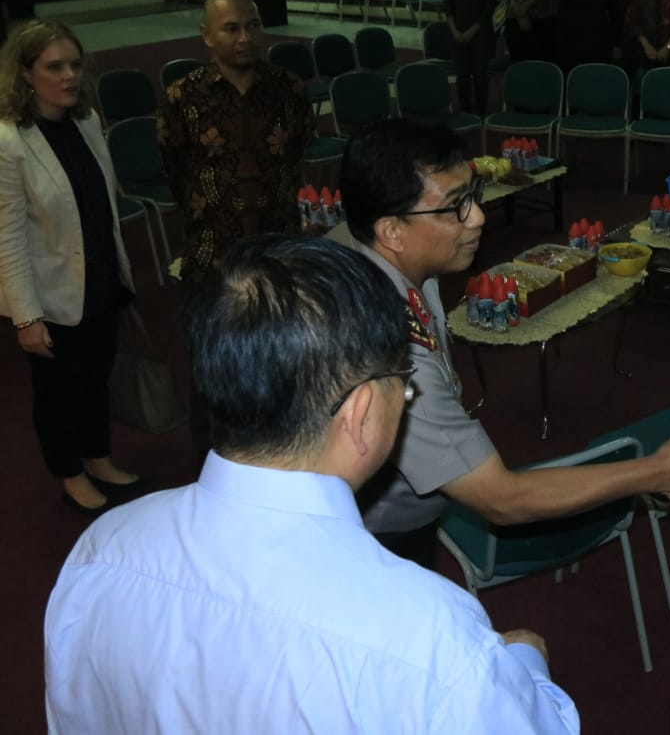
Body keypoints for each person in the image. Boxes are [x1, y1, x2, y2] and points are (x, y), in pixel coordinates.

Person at [44, 235, 580, 733]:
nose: (406, 397)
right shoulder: (431, 635)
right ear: (361, 411)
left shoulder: (101, 548)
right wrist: (526, 661)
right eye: (404, 383)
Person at [324, 120, 670, 539]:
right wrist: (660, 472)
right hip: (371, 535)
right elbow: (502, 499)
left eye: (474, 194)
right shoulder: (394, 356)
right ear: (391, 230)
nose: (479, 217)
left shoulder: (365, 252)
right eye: (456, 206)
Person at [0, 19, 138, 512]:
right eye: (54, 66)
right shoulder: (9, 141)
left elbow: (102, 205)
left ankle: (97, 456)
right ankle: (70, 472)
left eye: (75, 64)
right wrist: (26, 316)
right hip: (51, 293)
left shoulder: (85, 122)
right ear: (24, 72)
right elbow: (8, 237)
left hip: (100, 278)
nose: (69, 75)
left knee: (96, 378)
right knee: (57, 393)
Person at [157, 0, 313, 286]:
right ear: (207, 35)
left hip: (280, 241)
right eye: (231, 29)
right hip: (213, 248)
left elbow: (298, 150)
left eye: (253, 26)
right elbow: (174, 167)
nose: (245, 38)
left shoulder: (288, 88)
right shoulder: (183, 95)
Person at [444, 0, 497, 115]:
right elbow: (448, 5)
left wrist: (472, 30)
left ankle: (481, 111)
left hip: (481, 32)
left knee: (480, 73)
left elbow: (489, 7)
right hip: (458, 32)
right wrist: (454, 30)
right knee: (462, 74)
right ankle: (465, 110)